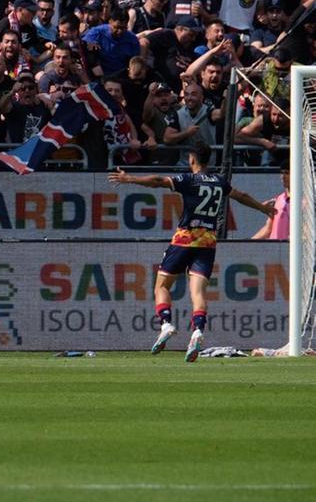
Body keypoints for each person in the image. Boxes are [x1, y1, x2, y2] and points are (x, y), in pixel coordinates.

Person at [108, 142, 274, 362]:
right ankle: (197, 332)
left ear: (192, 159)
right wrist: (263, 209)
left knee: (162, 286)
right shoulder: (219, 182)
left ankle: (166, 324)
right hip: (207, 242)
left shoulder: (189, 179)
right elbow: (240, 195)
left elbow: (159, 181)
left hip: (185, 239)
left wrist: (131, 179)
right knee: (198, 292)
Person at [252, 162, 290, 240]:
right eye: (281, 173)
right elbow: (268, 229)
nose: (283, 176)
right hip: (275, 249)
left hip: (292, 249)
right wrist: (247, 242)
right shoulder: (278, 199)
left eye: (286, 173)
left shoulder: (304, 202)